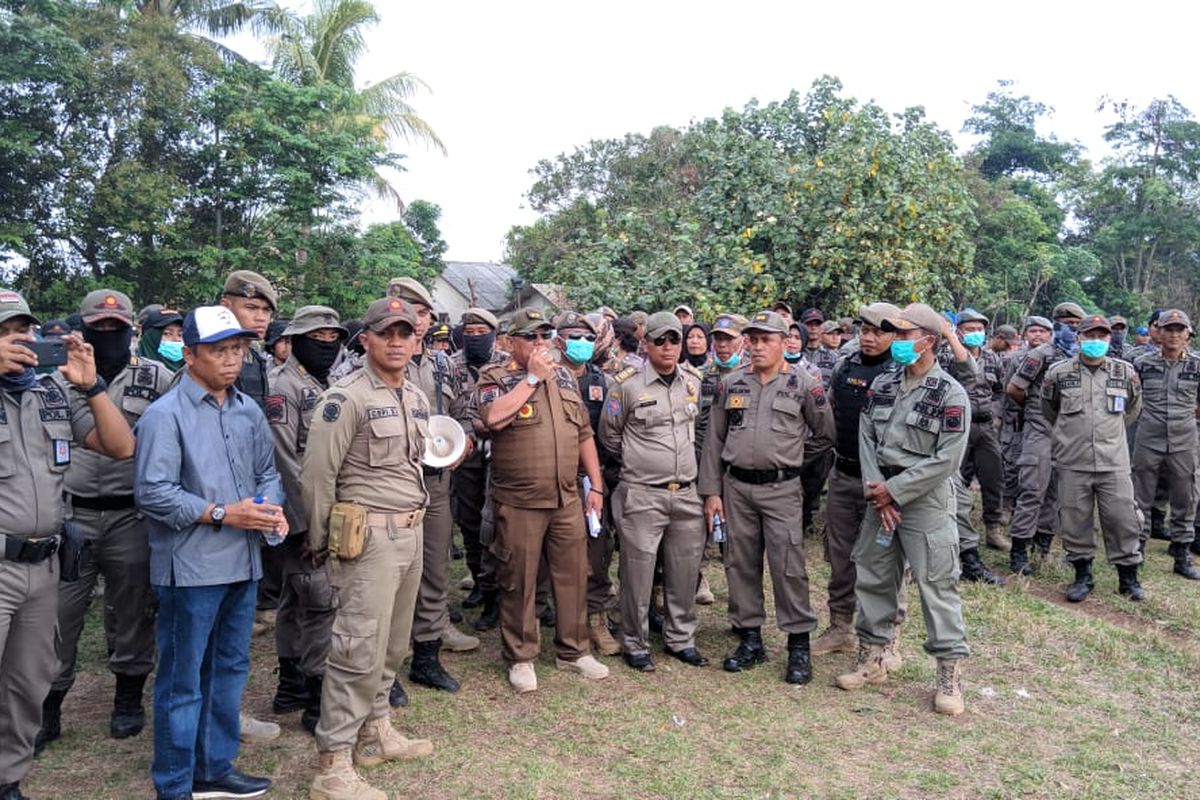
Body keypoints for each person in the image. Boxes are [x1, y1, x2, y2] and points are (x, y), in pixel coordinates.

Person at [134, 305, 285, 800]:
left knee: (229, 669)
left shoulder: (247, 410)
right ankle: (175, 783)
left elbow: (268, 472)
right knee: (183, 680)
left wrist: (268, 510)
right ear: (192, 354)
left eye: (238, 349)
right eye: (219, 350)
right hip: (191, 569)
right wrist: (223, 514)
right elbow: (153, 493)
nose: (231, 360)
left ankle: (214, 767)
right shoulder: (165, 415)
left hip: (243, 563)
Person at [0, 290, 135, 800]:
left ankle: (9, 781)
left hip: (44, 564)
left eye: (23, 329)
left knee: (27, 683)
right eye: (5, 330)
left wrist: (93, 386)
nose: (19, 339)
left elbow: (122, 447)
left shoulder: (48, 394)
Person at [301, 297, 434, 800]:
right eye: (386, 333)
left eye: (405, 333)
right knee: (357, 647)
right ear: (367, 340)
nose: (397, 341)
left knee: (394, 642)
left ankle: (375, 730)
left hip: (410, 532)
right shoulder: (346, 397)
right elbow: (317, 477)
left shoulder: (417, 396)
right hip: (368, 539)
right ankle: (332, 764)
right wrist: (321, 541)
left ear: (415, 340)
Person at [37, 290, 174, 755]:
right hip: (71, 514)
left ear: (133, 330)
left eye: (118, 327)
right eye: (100, 326)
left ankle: (128, 700)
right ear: (83, 327)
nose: (108, 334)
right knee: (59, 616)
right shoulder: (58, 381)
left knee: (133, 611)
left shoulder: (157, 378)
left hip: (132, 513)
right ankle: (48, 708)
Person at [835, 303, 971, 716]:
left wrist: (894, 491)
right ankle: (872, 658)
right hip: (881, 494)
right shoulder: (884, 385)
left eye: (905, 335)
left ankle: (948, 673)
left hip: (924, 500)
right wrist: (878, 491)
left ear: (928, 341)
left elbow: (947, 459)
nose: (896, 341)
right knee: (874, 575)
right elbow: (866, 437)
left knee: (937, 584)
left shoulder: (951, 393)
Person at [470, 308, 608, 693]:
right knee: (519, 580)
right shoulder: (494, 376)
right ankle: (521, 656)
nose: (539, 343)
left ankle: (574, 650)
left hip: (565, 496)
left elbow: (583, 433)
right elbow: (493, 418)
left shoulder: (563, 375)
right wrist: (531, 378)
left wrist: (595, 487)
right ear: (510, 342)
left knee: (573, 575)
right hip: (519, 500)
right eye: (530, 337)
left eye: (545, 336)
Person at [699, 311, 835, 685]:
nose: (758, 346)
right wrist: (711, 491)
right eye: (753, 339)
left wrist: (789, 460)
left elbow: (824, 436)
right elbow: (714, 441)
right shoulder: (732, 384)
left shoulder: (805, 385)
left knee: (788, 565)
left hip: (782, 489)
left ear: (784, 342)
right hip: (736, 488)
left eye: (766, 340)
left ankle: (798, 646)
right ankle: (750, 639)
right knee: (739, 563)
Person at [600, 312, 707, 673]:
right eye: (659, 340)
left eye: (674, 340)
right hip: (642, 493)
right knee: (638, 572)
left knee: (684, 570)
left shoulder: (693, 381)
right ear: (645, 344)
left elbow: (698, 429)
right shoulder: (626, 385)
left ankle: (681, 639)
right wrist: (640, 462)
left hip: (686, 493)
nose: (668, 347)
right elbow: (610, 436)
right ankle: (635, 642)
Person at [388, 277, 479, 699]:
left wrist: (463, 439)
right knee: (389, 576)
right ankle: (385, 671)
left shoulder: (442, 365)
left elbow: (464, 410)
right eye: (410, 312)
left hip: (436, 480)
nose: (418, 322)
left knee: (435, 569)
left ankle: (426, 656)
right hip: (390, 485)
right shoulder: (371, 361)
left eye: (424, 314)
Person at [265, 306, 347, 734]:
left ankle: (291, 685)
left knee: (296, 599)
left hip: (320, 507)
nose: (327, 345)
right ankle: (315, 696)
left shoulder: (328, 382)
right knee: (318, 601)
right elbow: (285, 462)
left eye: (334, 338)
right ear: (295, 340)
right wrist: (311, 526)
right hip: (302, 514)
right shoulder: (284, 385)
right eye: (318, 338)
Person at [812, 303, 906, 662]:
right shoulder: (844, 367)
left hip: (884, 486)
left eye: (877, 332)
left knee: (886, 562)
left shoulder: (900, 374)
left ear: (893, 335)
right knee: (840, 557)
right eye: (863, 331)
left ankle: (889, 638)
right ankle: (840, 627)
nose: (868, 338)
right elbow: (833, 413)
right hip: (845, 475)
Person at [1042, 314, 1145, 602]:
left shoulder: (1125, 372)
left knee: (1122, 518)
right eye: (1090, 336)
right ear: (1079, 339)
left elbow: (1133, 409)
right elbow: (1050, 409)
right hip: (1073, 460)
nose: (1096, 341)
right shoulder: (1059, 373)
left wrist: (1106, 433)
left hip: (1114, 461)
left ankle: (1129, 578)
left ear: (1110, 339)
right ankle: (1082, 576)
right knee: (1075, 519)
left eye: (1102, 336)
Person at [555, 312, 622, 657]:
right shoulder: (545, 378)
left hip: (593, 480)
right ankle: (548, 615)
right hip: (553, 477)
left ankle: (595, 618)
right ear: (558, 339)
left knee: (597, 549)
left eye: (586, 336)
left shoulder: (605, 381)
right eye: (572, 336)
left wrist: (601, 479)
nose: (580, 342)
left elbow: (612, 431)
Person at [1006, 302, 1085, 575]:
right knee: (1032, 490)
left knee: (1056, 493)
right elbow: (1014, 389)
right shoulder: (1040, 354)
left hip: (1068, 435)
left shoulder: (1080, 357)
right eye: (1065, 322)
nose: (1070, 327)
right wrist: (1036, 408)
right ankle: (1018, 550)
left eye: (1075, 324)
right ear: (1056, 324)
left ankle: (1043, 545)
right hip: (1039, 430)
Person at [448, 308, 508, 632]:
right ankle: (481, 587)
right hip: (465, 454)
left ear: (493, 333)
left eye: (480, 331)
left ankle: (499, 594)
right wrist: (469, 430)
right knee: (470, 523)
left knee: (496, 525)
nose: (474, 337)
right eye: (468, 331)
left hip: (501, 451)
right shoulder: (450, 364)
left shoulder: (508, 362)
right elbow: (447, 408)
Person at [1130, 309, 1200, 580]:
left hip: (1184, 439)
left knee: (1186, 496)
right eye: (1168, 329)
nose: (1173, 334)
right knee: (1141, 495)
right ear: (1158, 332)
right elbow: (1130, 398)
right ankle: (1137, 549)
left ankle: (1181, 554)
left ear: (1188, 335)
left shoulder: (1196, 365)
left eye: (1179, 330)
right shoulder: (1141, 363)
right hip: (1148, 438)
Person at [952, 309, 1008, 552]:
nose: (975, 334)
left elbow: (1000, 392)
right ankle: (954, 526)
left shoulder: (993, 358)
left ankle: (993, 529)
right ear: (958, 332)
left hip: (985, 426)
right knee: (955, 478)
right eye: (969, 329)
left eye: (979, 330)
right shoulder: (949, 358)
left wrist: (996, 414)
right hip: (956, 427)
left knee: (993, 476)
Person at [136, 307, 186, 373]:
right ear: (150, 338)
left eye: (180, 335)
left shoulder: (194, 372)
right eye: (167, 334)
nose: (176, 339)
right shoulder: (133, 370)